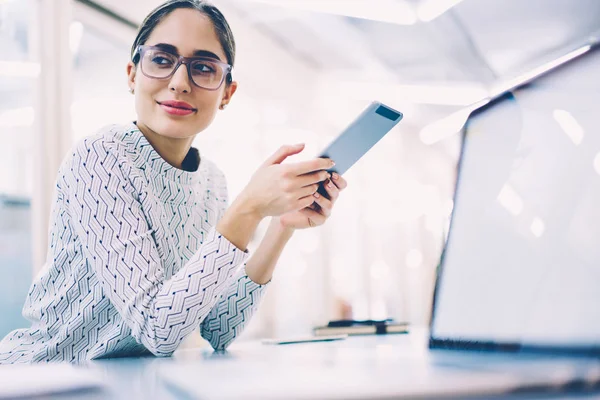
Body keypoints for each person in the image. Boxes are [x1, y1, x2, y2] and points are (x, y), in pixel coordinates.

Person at [0, 0, 347, 364]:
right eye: (162, 61)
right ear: (133, 75)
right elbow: (157, 328)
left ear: (226, 93)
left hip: (120, 385)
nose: (180, 83)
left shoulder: (212, 181)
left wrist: (281, 225)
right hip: (40, 377)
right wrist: (249, 208)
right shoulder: (101, 156)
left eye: (203, 68)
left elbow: (218, 328)